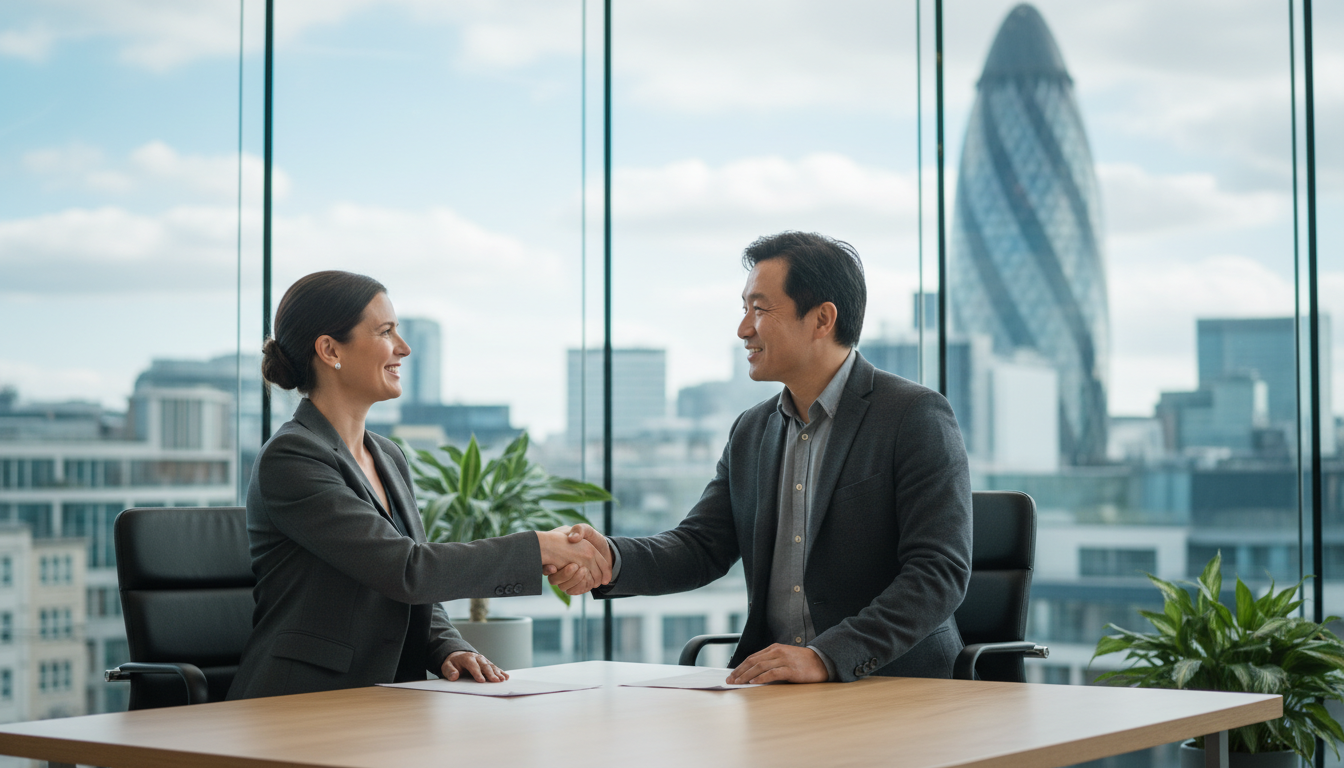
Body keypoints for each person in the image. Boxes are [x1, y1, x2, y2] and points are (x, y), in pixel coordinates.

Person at [551, 232, 973, 684]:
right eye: (744, 308)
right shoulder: (752, 429)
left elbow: (938, 573)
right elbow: (701, 546)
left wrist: (826, 656)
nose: (743, 329)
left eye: (760, 308)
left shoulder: (913, 416)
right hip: (775, 688)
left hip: (895, 685)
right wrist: (612, 558)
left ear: (822, 319)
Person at [228, 271, 609, 700]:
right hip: (301, 702)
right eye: (386, 331)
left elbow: (415, 590)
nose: (403, 348)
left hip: (385, 698)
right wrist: (538, 548)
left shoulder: (387, 456)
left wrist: (447, 646)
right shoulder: (292, 458)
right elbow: (407, 570)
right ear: (330, 349)